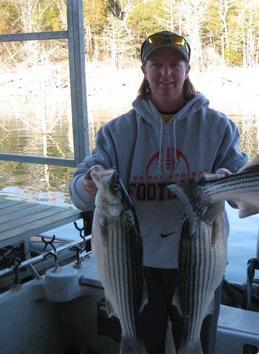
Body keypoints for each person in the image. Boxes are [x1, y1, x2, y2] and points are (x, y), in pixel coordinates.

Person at [69, 30, 248, 353]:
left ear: (188, 69)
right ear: (144, 71)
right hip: (136, 264)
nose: (166, 72)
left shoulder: (219, 127)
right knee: (143, 344)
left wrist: (229, 181)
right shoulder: (116, 131)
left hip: (202, 262)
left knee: (197, 343)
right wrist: (86, 184)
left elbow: (242, 195)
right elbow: (78, 193)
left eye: (175, 64)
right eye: (156, 64)